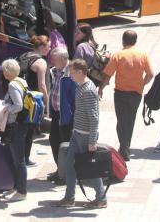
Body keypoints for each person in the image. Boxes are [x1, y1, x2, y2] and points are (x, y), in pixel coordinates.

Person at [52, 59, 107, 210]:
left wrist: (92, 141)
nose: (70, 75)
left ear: (80, 72)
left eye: (72, 72)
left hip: (85, 136)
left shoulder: (88, 90)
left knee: (90, 168)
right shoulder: (79, 87)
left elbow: (94, 117)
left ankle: (101, 198)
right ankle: (69, 197)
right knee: (70, 165)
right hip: (77, 134)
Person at [99, 29, 153, 162]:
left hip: (121, 93)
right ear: (135, 41)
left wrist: (101, 88)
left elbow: (107, 75)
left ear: (123, 41)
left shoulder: (118, 55)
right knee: (130, 120)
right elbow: (151, 74)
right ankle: (126, 147)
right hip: (136, 94)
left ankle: (124, 149)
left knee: (122, 121)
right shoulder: (143, 55)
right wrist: (142, 84)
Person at [0, 58, 30, 202]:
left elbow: (17, 106)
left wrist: (5, 108)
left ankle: (22, 191)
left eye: (3, 70)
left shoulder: (12, 84)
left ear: (7, 71)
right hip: (22, 124)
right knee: (16, 159)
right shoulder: (22, 81)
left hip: (16, 125)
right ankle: (16, 187)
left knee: (19, 160)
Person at [19, 35, 51, 166]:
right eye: (49, 46)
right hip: (32, 101)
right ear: (42, 47)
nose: (50, 49)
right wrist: (46, 103)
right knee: (29, 131)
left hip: (19, 97)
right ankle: (25, 159)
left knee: (20, 130)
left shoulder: (25, 55)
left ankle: (18, 156)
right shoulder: (40, 62)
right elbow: (42, 85)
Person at [47, 46, 76, 184]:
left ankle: (66, 174)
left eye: (55, 59)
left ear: (64, 59)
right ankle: (60, 169)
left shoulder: (72, 72)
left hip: (67, 116)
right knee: (54, 141)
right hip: (56, 113)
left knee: (65, 144)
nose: (52, 61)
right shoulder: (55, 71)